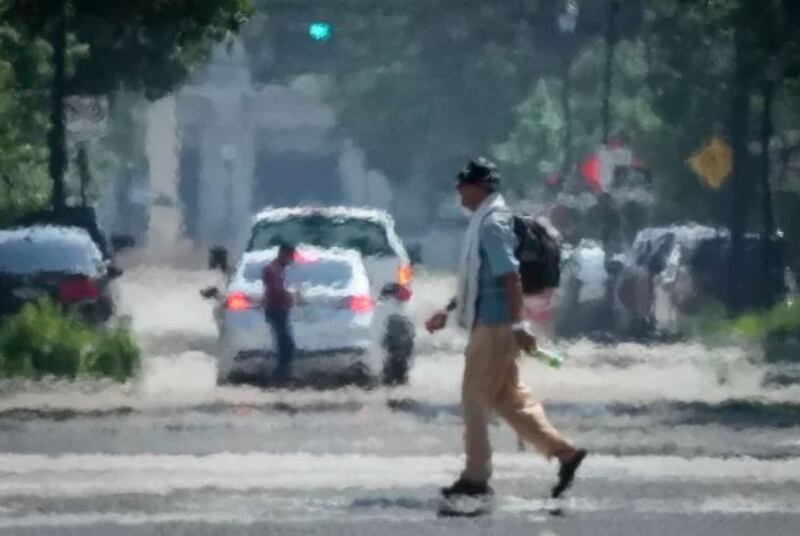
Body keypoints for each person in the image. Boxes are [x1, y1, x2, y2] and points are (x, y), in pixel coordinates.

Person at [425, 157, 587, 500]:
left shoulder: (491, 224)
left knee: (474, 400)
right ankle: (566, 454)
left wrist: (518, 325)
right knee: (509, 399)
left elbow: (509, 276)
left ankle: (475, 477)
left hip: (496, 325)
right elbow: (480, 278)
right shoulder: (484, 221)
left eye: (463, 184)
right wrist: (448, 309)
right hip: (493, 320)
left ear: (479, 186)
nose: (458, 190)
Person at [262, 242, 297, 382]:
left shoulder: (277, 269)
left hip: (278, 310)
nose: (292, 260)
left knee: (285, 342)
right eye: (290, 256)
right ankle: (281, 375)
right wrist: (289, 296)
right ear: (283, 254)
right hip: (276, 310)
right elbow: (275, 290)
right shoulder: (273, 270)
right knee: (286, 345)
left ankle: (282, 373)